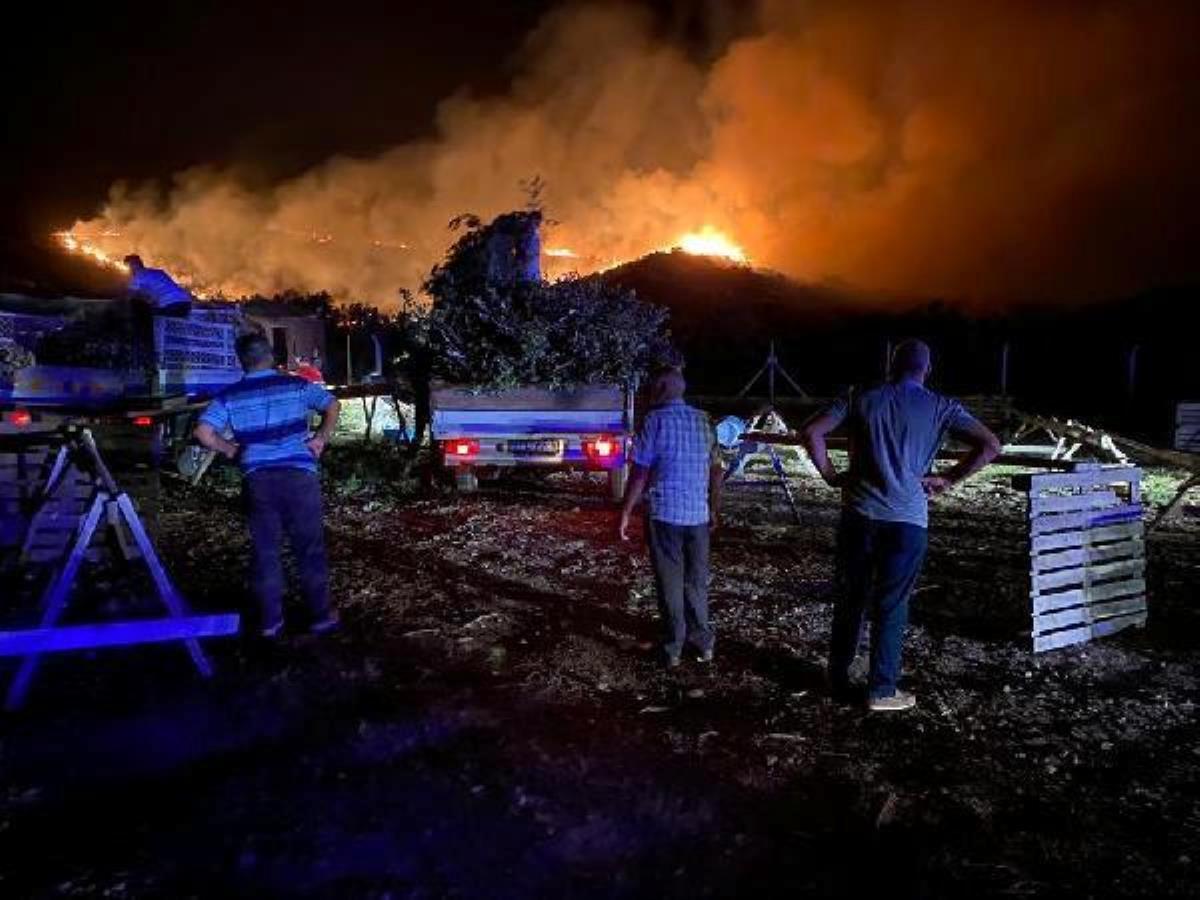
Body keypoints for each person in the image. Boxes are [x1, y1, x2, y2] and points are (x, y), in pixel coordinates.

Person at [801, 340, 1001, 712]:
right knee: (892, 604)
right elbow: (991, 445)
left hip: (859, 515)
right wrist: (949, 479)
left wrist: (830, 476)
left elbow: (812, 431)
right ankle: (881, 689)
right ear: (927, 369)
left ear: (892, 366)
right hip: (908, 520)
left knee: (851, 600)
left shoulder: (860, 396)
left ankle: (838, 677)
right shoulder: (942, 406)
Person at [194, 332, 342, 638]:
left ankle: (271, 622)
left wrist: (232, 450)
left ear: (241, 361)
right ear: (271, 357)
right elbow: (332, 404)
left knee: (266, 551)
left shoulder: (230, 396)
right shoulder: (297, 386)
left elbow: (203, 432)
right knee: (309, 548)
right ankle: (321, 616)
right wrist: (320, 439)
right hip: (299, 478)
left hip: (258, 481)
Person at [619, 368, 724, 668]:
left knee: (670, 581)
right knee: (697, 581)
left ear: (662, 389)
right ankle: (704, 644)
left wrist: (625, 512)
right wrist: (714, 508)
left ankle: (673, 647)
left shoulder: (654, 421)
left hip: (665, 514)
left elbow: (640, 473)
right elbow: (717, 471)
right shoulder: (704, 421)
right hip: (698, 516)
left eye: (653, 388)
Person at [123, 255, 194, 317]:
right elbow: (157, 292)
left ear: (132, 265)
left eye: (128, 267)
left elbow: (129, 297)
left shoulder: (138, 277)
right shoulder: (159, 272)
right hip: (186, 303)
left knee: (141, 314)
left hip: (172, 305)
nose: (129, 270)